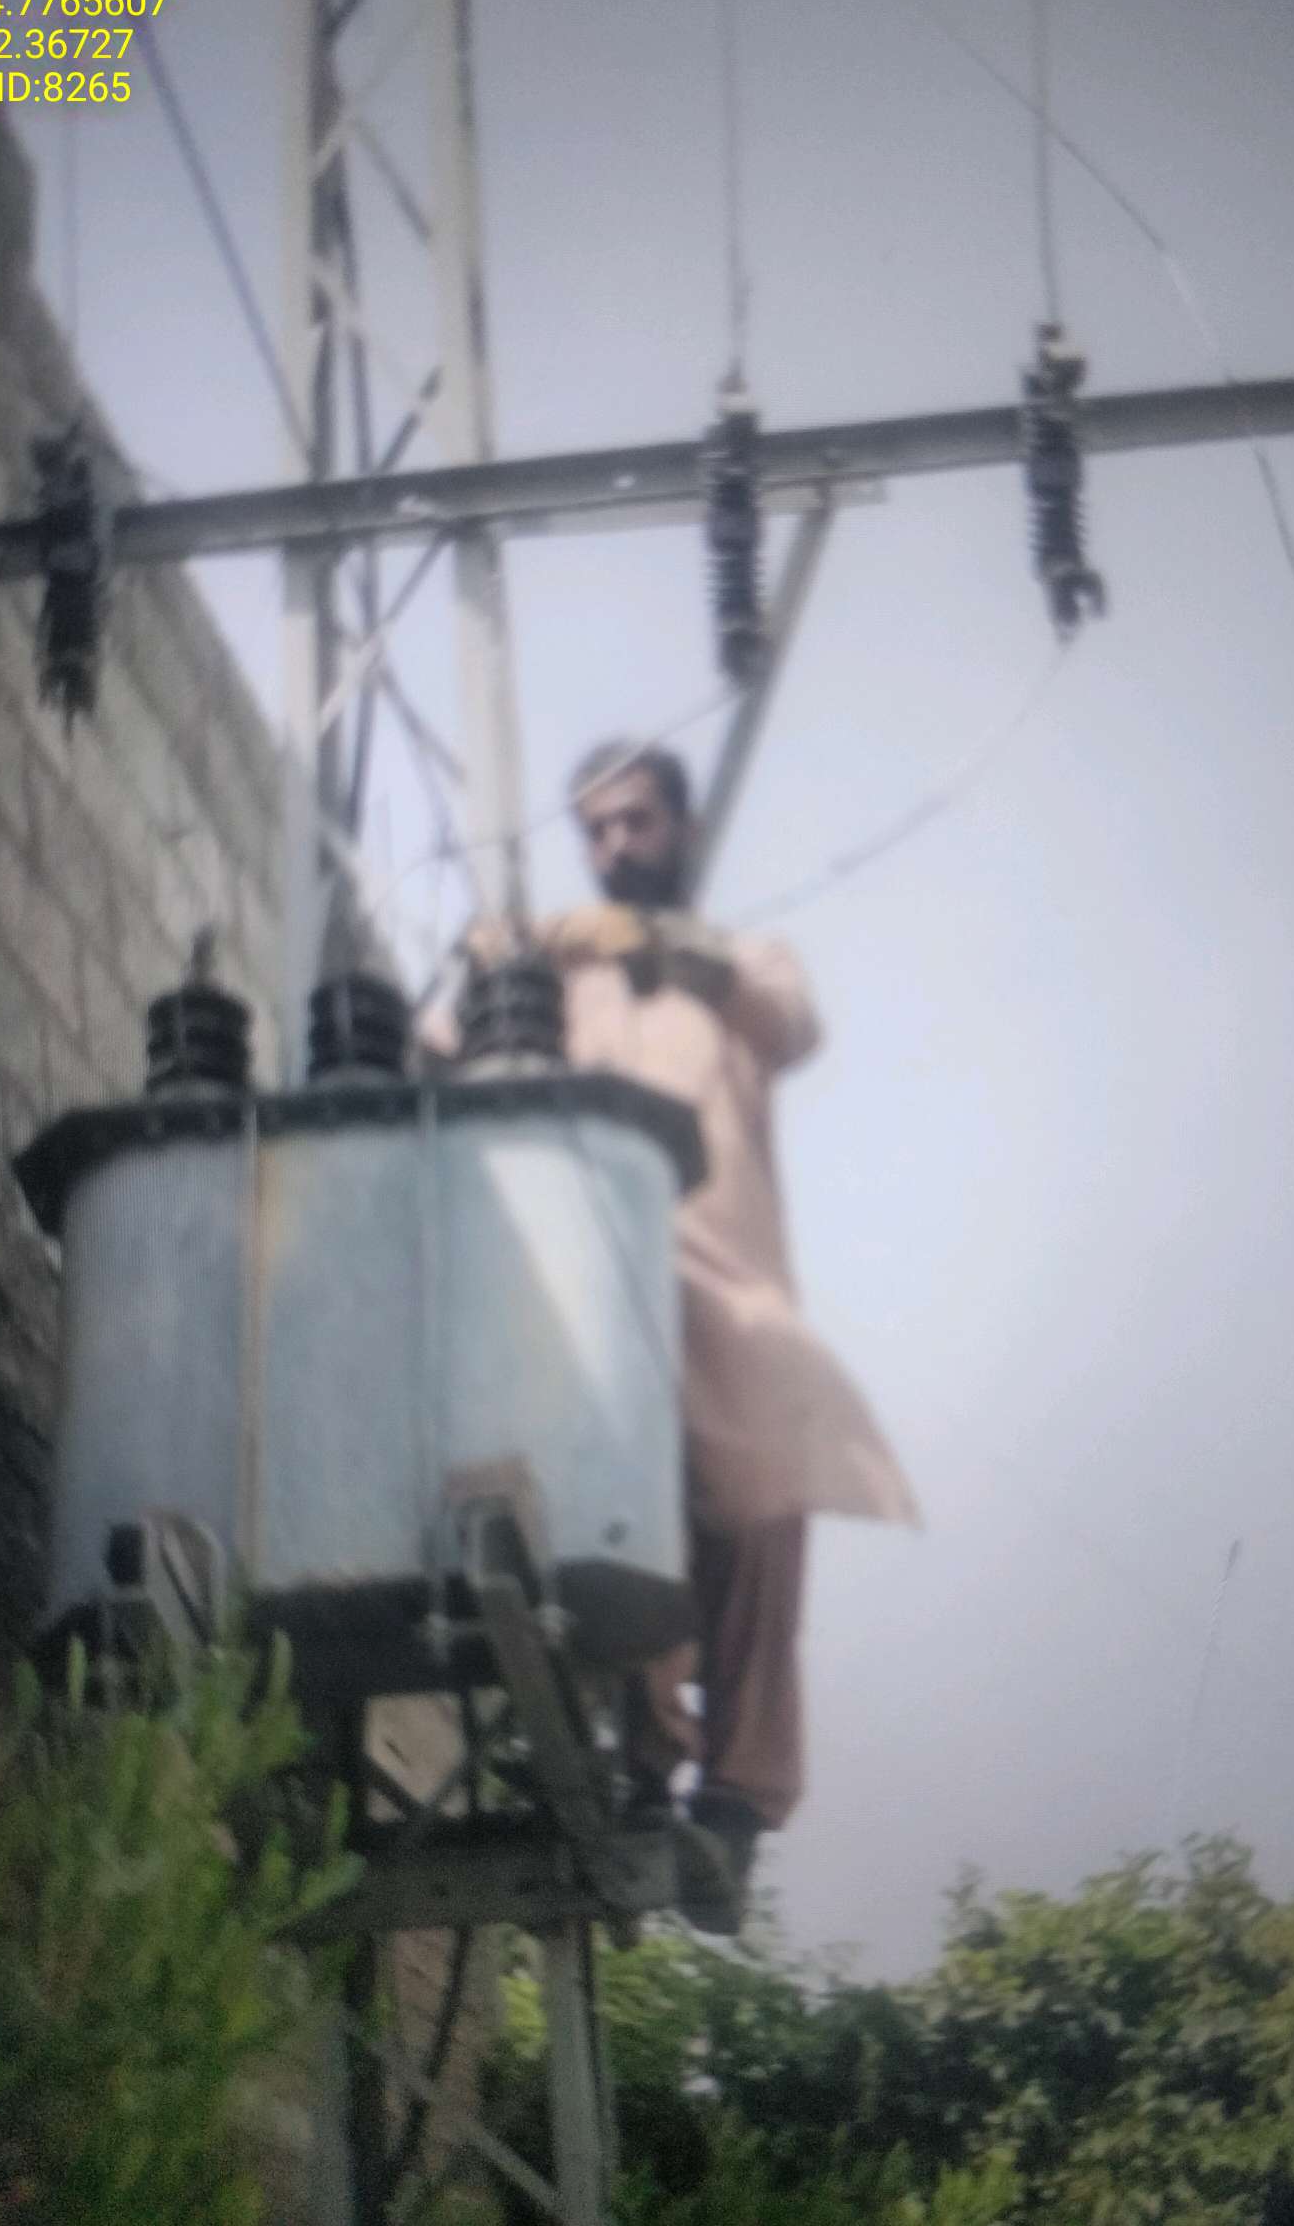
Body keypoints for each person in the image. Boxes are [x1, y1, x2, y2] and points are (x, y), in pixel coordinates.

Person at [419, 740, 919, 1930]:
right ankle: (648, 1766)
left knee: (769, 1498)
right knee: (623, 1503)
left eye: (635, 821)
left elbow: (790, 1020)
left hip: (726, 1275)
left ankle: (737, 1797)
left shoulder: (743, 967)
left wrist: (634, 941)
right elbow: (436, 1047)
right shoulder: (559, 972)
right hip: (595, 1275)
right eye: (594, 829)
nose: (614, 847)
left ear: (682, 829)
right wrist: (505, 956)